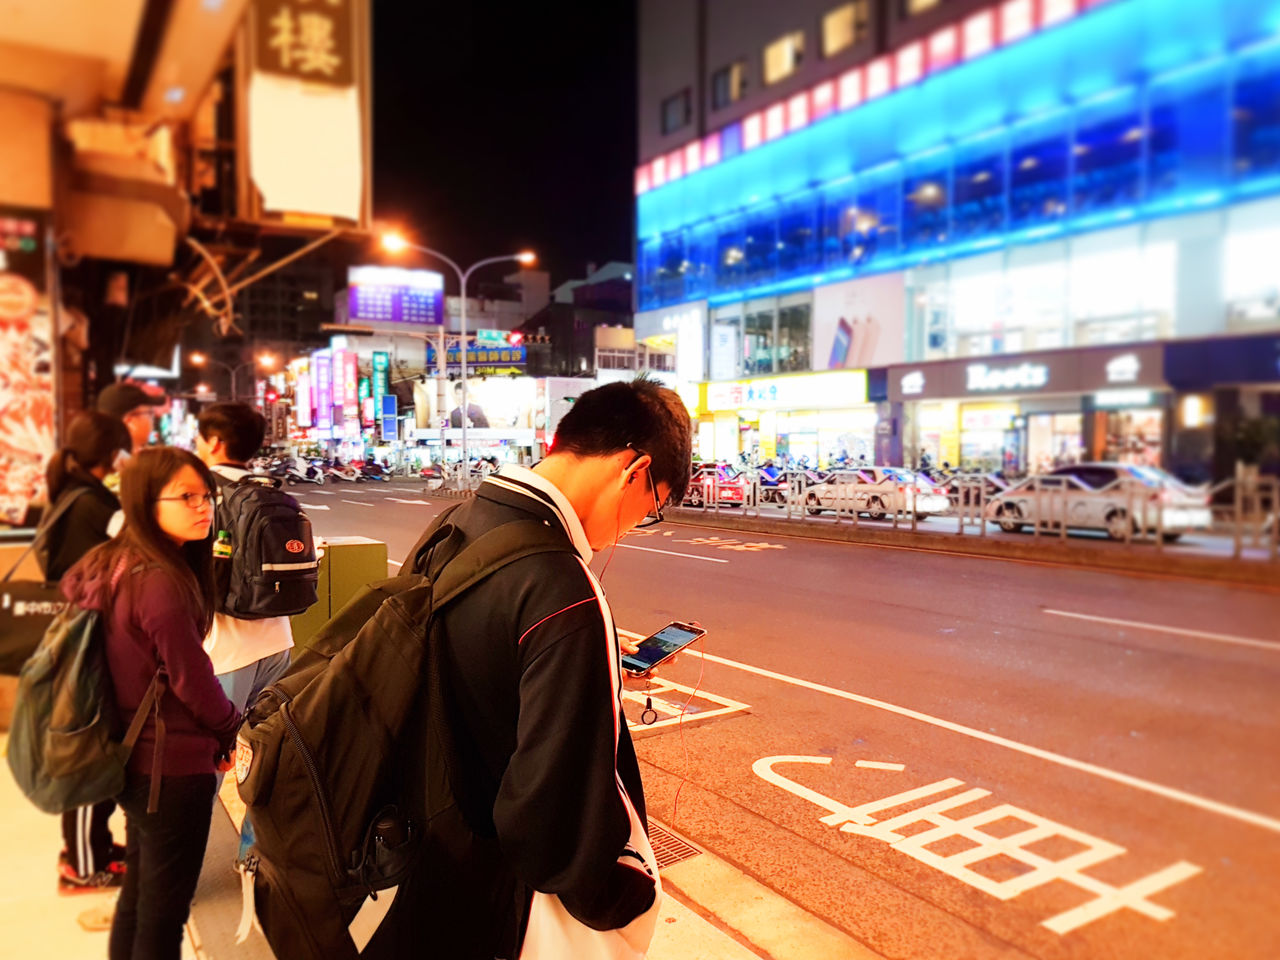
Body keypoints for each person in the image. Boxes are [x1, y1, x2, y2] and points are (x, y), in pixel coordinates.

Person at [367, 378, 692, 960]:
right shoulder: (562, 588)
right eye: (654, 506)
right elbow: (554, 818)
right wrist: (627, 898)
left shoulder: (456, 524)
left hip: (423, 864)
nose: (639, 524)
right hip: (497, 907)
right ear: (635, 471)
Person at [60, 447, 240, 960]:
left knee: (139, 902)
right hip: (171, 770)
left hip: (128, 759)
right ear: (145, 501)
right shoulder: (162, 581)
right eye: (187, 496)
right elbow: (193, 682)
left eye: (207, 495)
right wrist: (231, 729)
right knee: (163, 917)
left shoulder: (112, 562)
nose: (204, 507)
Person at [39, 412, 133, 894]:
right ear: (112, 452)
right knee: (89, 754)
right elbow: (136, 547)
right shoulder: (94, 503)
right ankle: (83, 864)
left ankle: (91, 847)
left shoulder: (70, 494)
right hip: (86, 642)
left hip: (76, 636)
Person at [194, 403, 294, 717]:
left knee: (215, 750)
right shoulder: (267, 489)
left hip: (227, 647)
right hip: (278, 640)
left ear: (213, 442)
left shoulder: (199, 490)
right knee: (265, 745)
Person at [97, 382, 167, 453]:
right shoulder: (123, 462)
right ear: (129, 421)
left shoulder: (112, 457)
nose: (153, 418)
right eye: (150, 413)